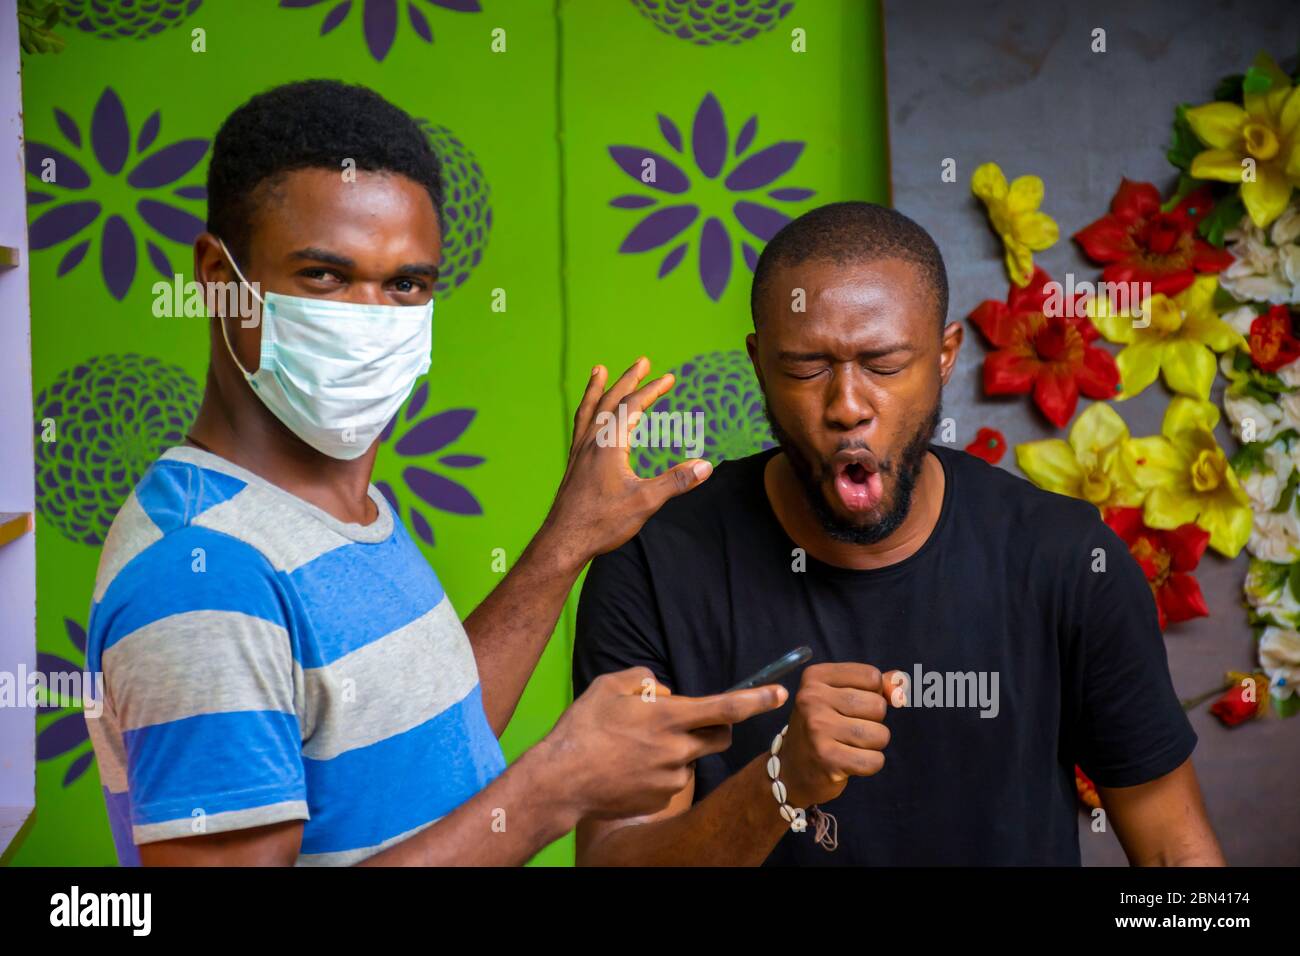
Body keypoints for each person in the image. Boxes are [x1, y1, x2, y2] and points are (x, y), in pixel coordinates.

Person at [82, 79, 785, 867]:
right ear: (218, 276)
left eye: (406, 285)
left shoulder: (344, 506)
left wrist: (566, 543)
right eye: (325, 276)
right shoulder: (204, 576)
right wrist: (556, 786)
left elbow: (423, 748)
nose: (371, 319)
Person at [572, 201, 1226, 866]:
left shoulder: (1063, 561)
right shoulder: (655, 565)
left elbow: (1177, 855)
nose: (848, 406)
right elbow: (613, 860)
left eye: (882, 365)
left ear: (944, 358)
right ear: (761, 364)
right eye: (805, 367)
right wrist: (779, 785)